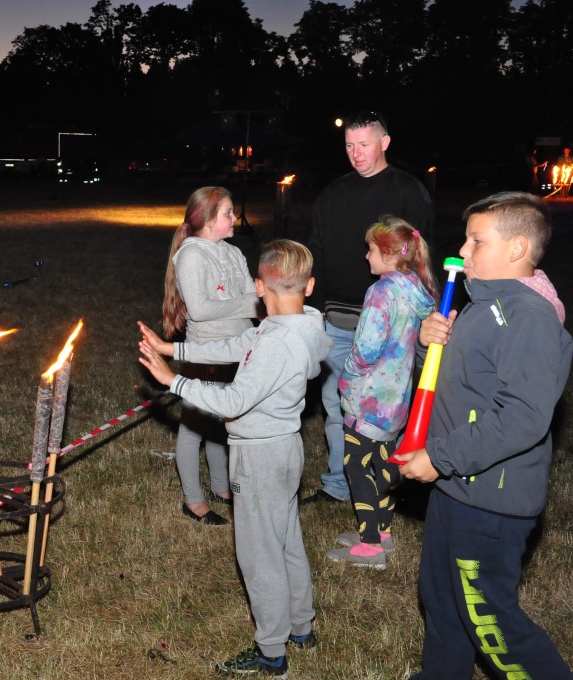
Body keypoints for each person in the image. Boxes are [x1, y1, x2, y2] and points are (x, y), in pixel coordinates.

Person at [397, 192, 573, 679]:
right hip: (458, 485)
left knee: (489, 621)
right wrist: (426, 345)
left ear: (517, 249)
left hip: (491, 499)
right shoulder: (482, 303)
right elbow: (455, 381)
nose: (464, 250)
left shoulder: (529, 319)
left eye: (477, 240)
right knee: (443, 603)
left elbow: (522, 416)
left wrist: (439, 456)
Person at [138, 240, 332, 677]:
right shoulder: (298, 325)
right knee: (285, 540)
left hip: (260, 453)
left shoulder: (278, 342)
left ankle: (271, 652)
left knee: (259, 554)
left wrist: (175, 383)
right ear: (310, 285)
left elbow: (236, 399)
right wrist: (175, 352)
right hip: (285, 447)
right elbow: (236, 345)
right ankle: (301, 627)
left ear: (259, 287)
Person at [303, 110, 435, 505]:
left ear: (385, 143)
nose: (356, 154)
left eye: (364, 144)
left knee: (384, 411)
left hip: (392, 327)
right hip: (339, 322)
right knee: (335, 406)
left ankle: (384, 487)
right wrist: (317, 308)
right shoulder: (333, 194)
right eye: (349, 146)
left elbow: (421, 257)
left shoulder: (409, 192)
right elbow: (317, 251)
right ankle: (340, 484)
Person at [324, 217, 438, 569]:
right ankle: (382, 530)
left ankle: (370, 545)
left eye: (371, 249)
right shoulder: (416, 289)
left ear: (389, 254)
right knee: (385, 464)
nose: (366, 256)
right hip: (397, 402)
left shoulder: (380, 292)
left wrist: (348, 376)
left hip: (368, 400)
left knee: (356, 468)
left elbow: (365, 349)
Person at [161, 186, 260, 525]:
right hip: (207, 355)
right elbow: (201, 310)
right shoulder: (191, 255)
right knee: (194, 427)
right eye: (228, 214)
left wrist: (254, 307)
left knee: (225, 420)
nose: (235, 218)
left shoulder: (233, 252)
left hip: (240, 350)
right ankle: (192, 501)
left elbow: (251, 292)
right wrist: (252, 302)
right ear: (207, 220)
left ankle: (221, 485)